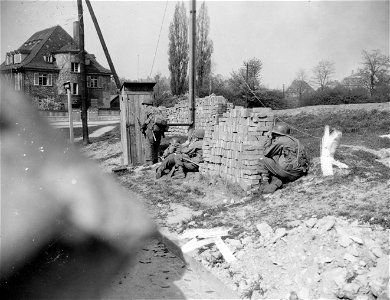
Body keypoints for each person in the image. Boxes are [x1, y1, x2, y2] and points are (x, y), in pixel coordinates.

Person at [259, 122, 309, 194]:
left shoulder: (280, 141)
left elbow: (266, 152)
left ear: (276, 133)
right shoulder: (295, 140)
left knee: (262, 160)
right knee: (277, 158)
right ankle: (276, 182)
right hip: (299, 172)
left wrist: (269, 140)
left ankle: (264, 185)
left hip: (288, 171)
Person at [140, 97, 167, 165]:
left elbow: (144, 122)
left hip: (150, 130)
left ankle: (149, 162)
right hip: (158, 130)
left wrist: (142, 128)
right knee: (157, 144)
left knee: (149, 145)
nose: (144, 105)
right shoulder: (158, 110)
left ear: (146, 104)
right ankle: (156, 160)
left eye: (144, 104)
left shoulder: (146, 110)